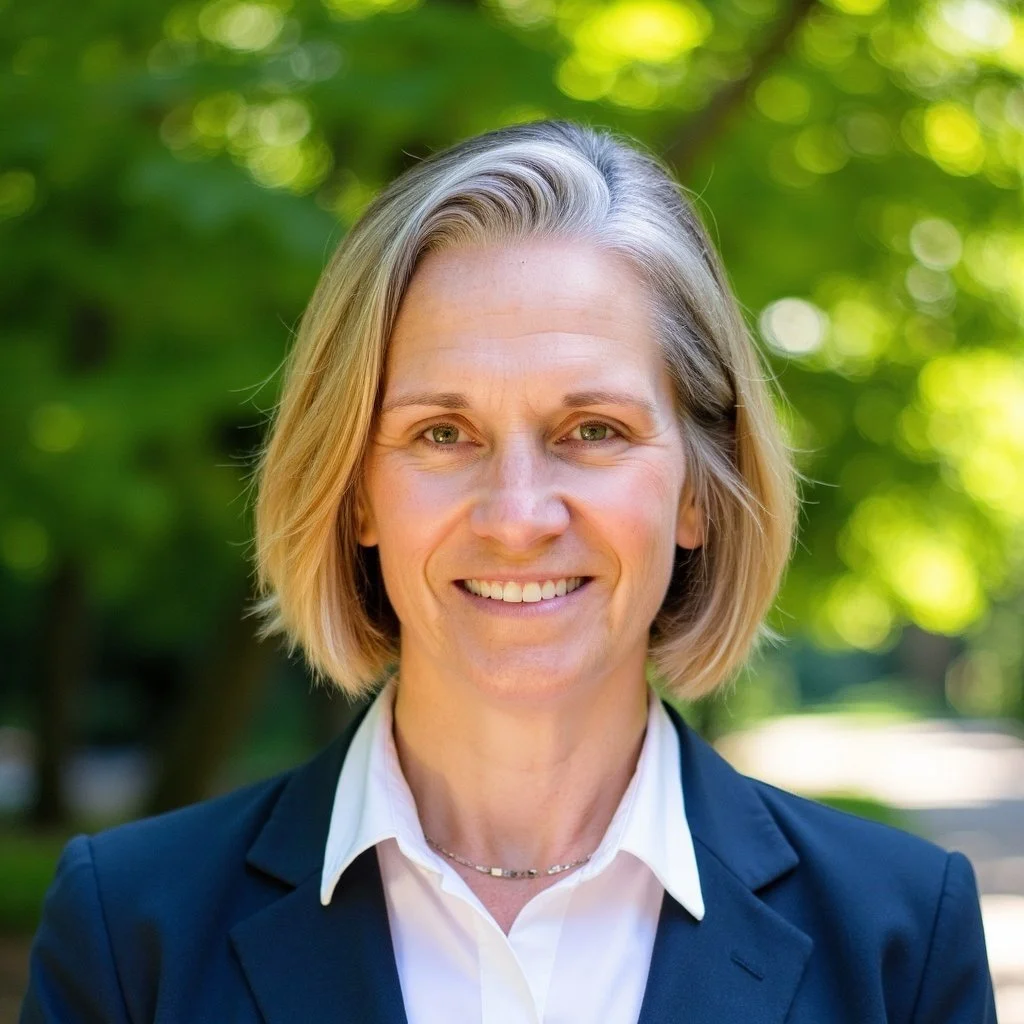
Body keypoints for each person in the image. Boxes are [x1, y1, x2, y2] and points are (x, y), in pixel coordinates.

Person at [21, 120, 995, 1024]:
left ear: (700, 487)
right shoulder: (129, 934)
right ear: (355, 491)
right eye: (442, 433)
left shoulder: (897, 940)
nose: (518, 517)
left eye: (592, 430)